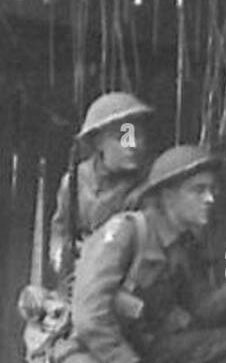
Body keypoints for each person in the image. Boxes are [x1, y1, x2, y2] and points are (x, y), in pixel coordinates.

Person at [35, 145, 226, 363]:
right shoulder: (125, 233)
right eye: (198, 190)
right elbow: (89, 317)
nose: (211, 199)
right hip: (84, 351)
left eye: (211, 190)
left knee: (219, 346)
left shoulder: (184, 246)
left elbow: (204, 312)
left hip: (139, 350)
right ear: (167, 195)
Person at [48, 91, 153, 286]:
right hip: (83, 283)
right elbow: (61, 230)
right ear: (98, 141)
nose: (133, 145)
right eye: (123, 136)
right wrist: (61, 256)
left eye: (138, 136)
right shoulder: (75, 182)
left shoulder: (151, 185)